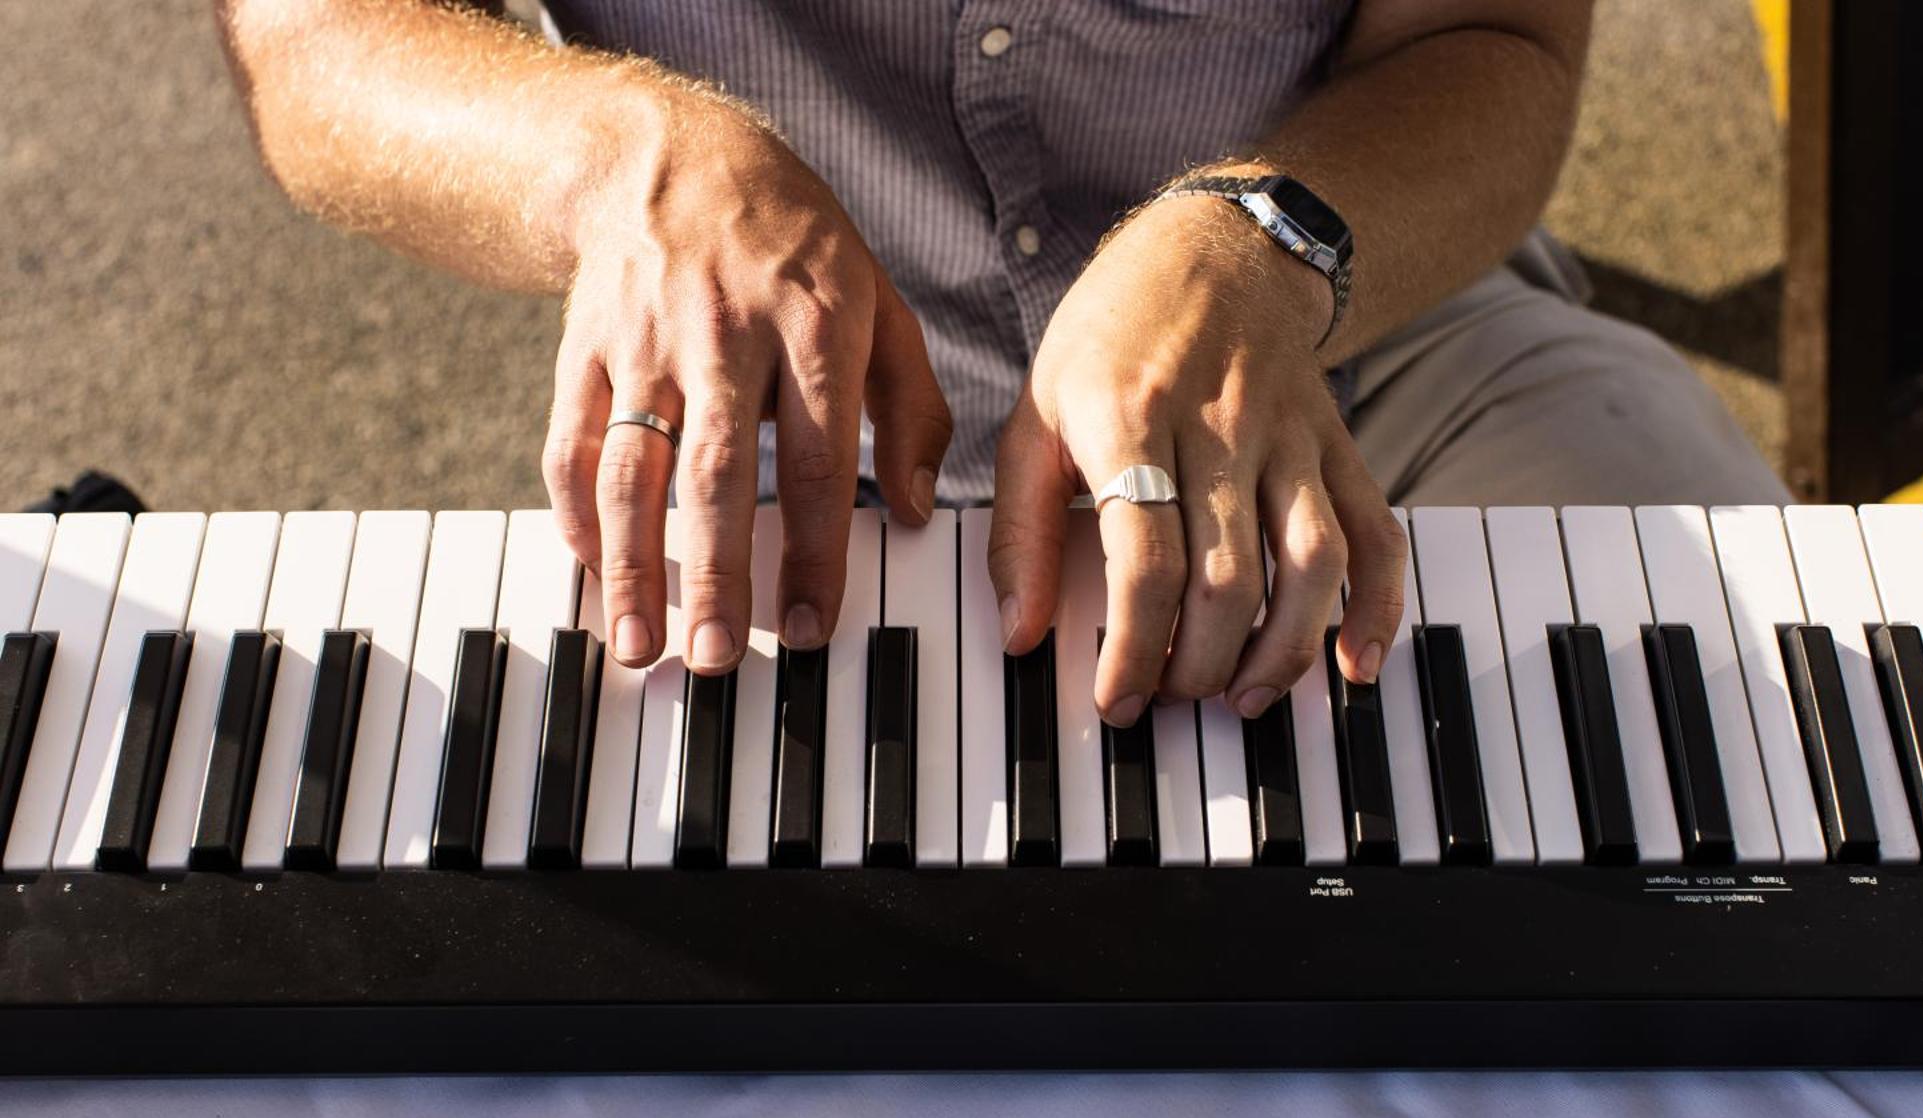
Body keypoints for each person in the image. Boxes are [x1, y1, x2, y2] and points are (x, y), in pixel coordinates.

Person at [217, 0, 1785, 729]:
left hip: (1365, 327)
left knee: (1778, 765)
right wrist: (619, 160)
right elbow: (314, 38)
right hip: (774, 433)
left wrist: (1257, 242)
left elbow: (1494, 44)